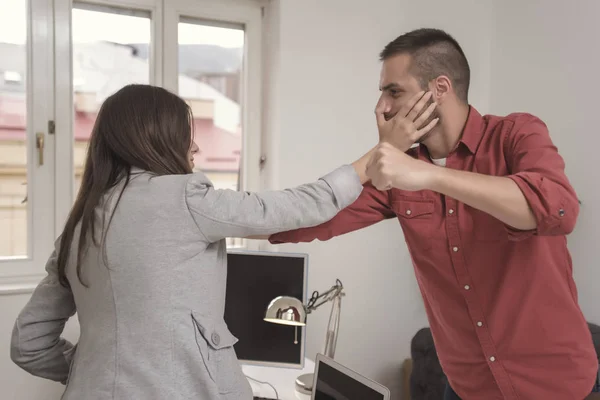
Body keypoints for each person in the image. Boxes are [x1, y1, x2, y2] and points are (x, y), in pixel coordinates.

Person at [269, 28, 598, 400]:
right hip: (467, 389)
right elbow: (310, 217)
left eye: (393, 91)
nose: (383, 108)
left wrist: (428, 175)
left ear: (440, 88)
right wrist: (210, 217)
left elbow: (557, 209)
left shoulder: (516, 134)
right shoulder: (398, 172)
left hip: (557, 385)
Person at [9, 84, 374, 400]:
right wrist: (371, 162)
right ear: (156, 139)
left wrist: (97, 373)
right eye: (185, 134)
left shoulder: (79, 225)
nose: (195, 145)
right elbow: (294, 207)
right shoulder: (184, 197)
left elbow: (28, 344)